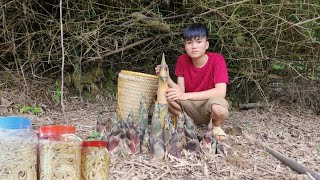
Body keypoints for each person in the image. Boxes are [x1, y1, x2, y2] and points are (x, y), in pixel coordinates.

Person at [155, 23, 229, 141]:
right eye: (189, 42)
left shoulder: (217, 59)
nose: (194, 46)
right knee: (165, 95)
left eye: (199, 42)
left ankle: (216, 126)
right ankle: (188, 123)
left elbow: (221, 92)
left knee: (219, 108)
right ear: (185, 45)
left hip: (208, 105)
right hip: (189, 106)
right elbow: (180, 91)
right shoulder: (182, 60)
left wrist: (185, 95)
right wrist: (167, 77)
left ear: (207, 44)